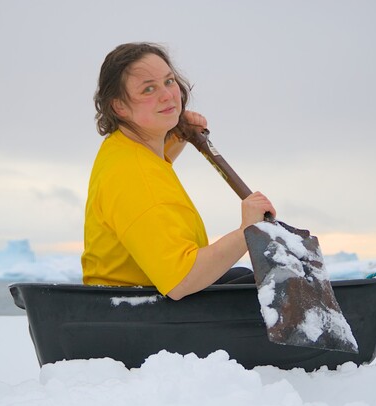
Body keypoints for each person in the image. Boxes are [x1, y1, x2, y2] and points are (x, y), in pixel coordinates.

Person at [81, 42, 276, 300]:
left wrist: (176, 137)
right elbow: (180, 280)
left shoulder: (124, 147)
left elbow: (154, 171)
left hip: (133, 298)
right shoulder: (135, 177)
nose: (167, 95)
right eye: (148, 89)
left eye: (169, 81)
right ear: (119, 107)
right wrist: (247, 231)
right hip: (137, 317)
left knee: (237, 278)